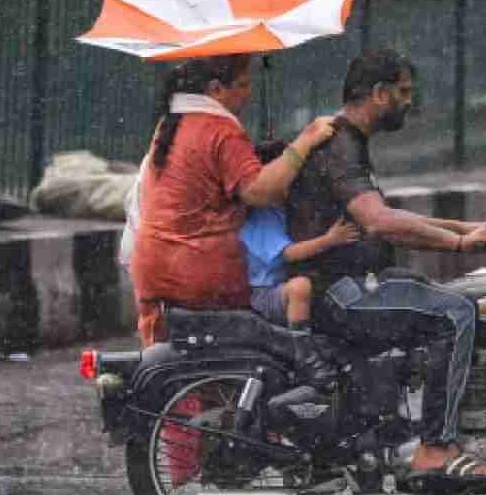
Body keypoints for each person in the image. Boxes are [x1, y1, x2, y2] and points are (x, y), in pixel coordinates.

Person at [285, 47, 486, 487]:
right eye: (403, 92)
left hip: (354, 283)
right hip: (339, 291)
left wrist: (466, 225)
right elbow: (378, 221)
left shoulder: (350, 142)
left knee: (430, 290)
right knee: (455, 313)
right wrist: (460, 243)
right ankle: (435, 449)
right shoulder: (340, 145)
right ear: (379, 94)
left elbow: (384, 216)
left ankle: (397, 428)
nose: (409, 101)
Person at [128, 54, 340, 384]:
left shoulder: (171, 123)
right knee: (258, 360)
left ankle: (184, 431)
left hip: (153, 268)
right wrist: (304, 141)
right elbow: (261, 192)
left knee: (183, 377)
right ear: (215, 89)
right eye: (242, 85)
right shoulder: (219, 129)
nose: (248, 94)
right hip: (199, 273)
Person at [239, 140, 362, 367]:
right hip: (260, 296)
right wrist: (329, 240)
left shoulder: (278, 209)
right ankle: (303, 354)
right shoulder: (262, 215)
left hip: (271, 290)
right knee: (300, 287)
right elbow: (287, 254)